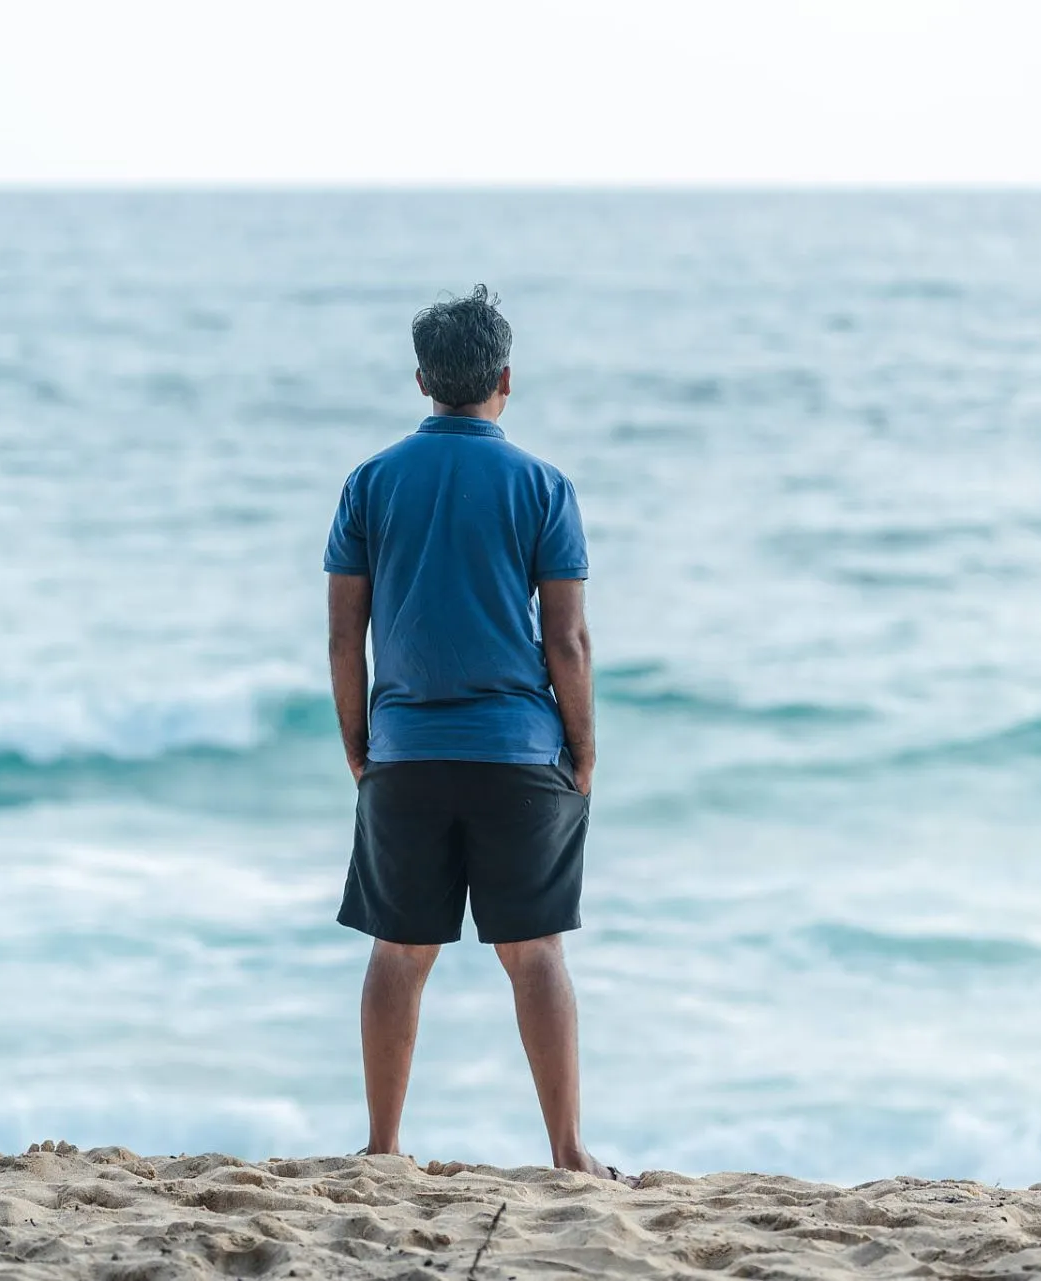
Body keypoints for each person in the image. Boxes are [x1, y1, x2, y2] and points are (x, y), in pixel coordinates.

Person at [323, 285, 630, 1183]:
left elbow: (346, 632)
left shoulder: (371, 482)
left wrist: (358, 740)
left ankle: (382, 1147)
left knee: (399, 951)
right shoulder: (543, 484)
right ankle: (569, 1152)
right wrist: (583, 746)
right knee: (534, 954)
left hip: (405, 752)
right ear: (505, 378)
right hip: (519, 752)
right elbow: (566, 638)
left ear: (422, 377)